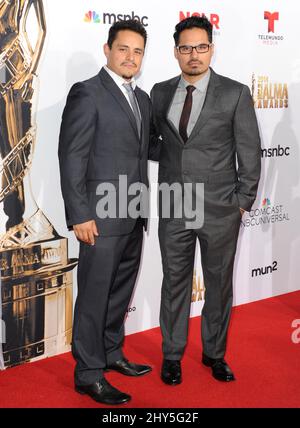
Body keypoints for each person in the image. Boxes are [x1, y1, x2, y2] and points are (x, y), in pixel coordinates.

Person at [150, 16, 261, 385]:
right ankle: (172, 355)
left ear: (211, 48)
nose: (193, 55)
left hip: (219, 210)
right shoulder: (160, 92)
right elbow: (154, 142)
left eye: (200, 47)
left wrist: (241, 202)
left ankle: (214, 353)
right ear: (176, 51)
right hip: (174, 207)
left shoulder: (235, 93)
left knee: (218, 285)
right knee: (174, 283)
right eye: (186, 48)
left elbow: (250, 152)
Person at [58, 20, 152, 405]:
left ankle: (112, 353)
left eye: (138, 51)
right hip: (98, 218)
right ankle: (88, 373)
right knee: (95, 296)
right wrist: (80, 213)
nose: (131, 57)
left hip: (133, 214)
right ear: (107, 50)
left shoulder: (142, 99)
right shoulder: (87, 93)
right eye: (123, 49)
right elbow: (72, 156)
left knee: (118, 293)